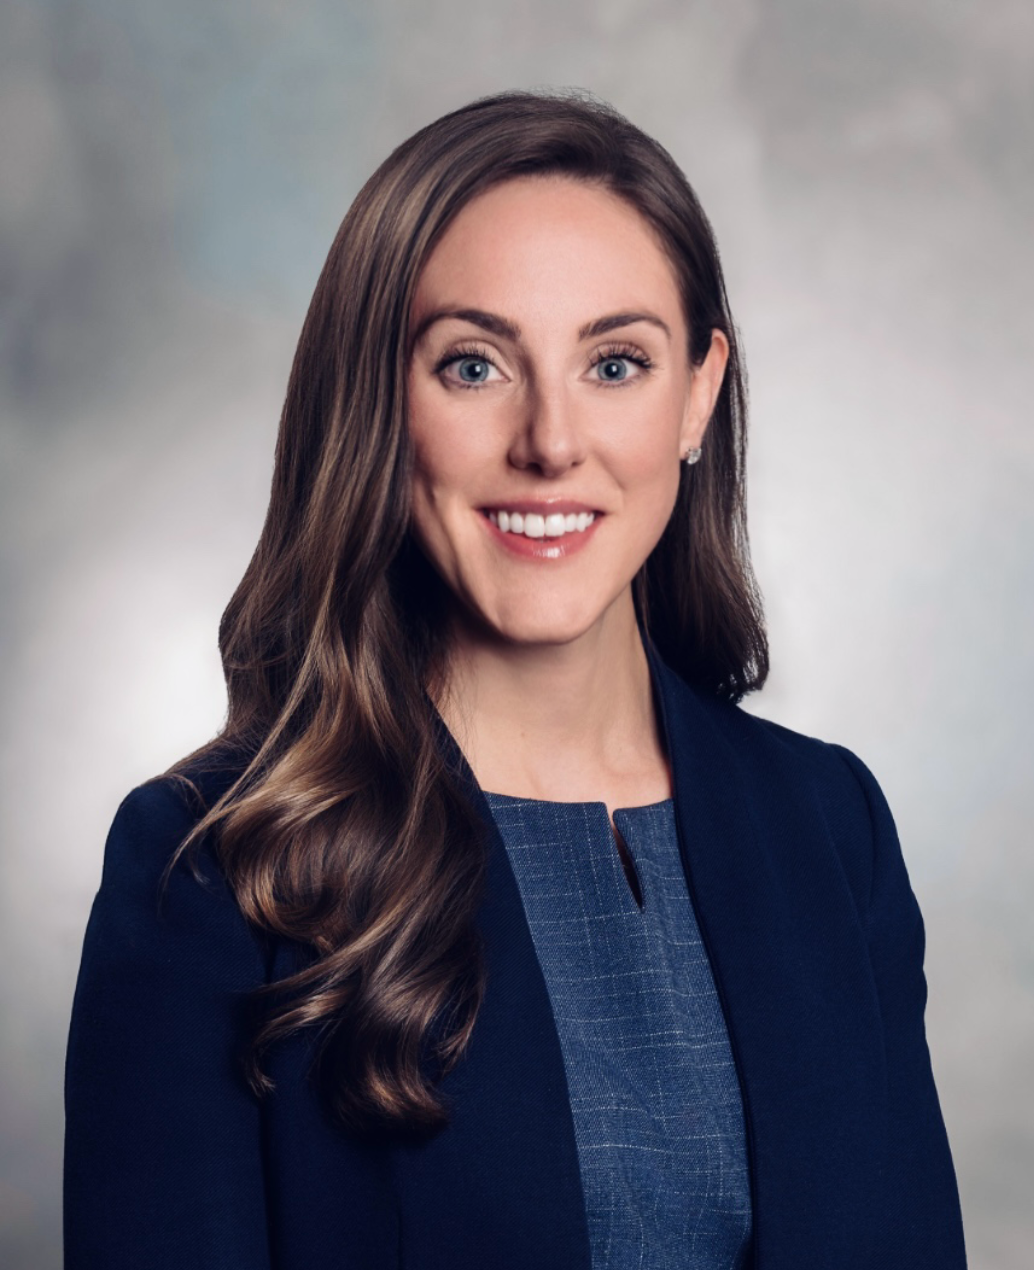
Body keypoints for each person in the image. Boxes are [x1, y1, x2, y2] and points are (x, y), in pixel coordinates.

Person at [63, 88, 968, 1269]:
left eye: (614, 361)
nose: (549, 439)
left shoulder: (829, 826)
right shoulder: (211, 870)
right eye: (476, 363)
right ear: (379, 398)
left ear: (696, 393)